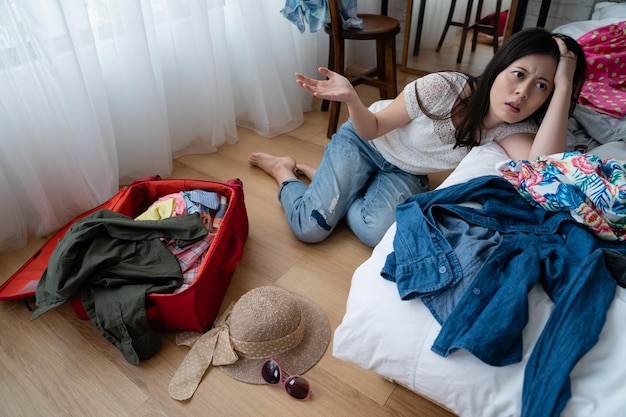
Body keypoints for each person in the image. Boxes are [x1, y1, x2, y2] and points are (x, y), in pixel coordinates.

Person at [249, 27, 587, 247]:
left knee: (376, 234)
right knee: (311, 229)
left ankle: (328, 183)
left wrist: (566, 80)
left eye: (542, 86)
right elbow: (374, 128)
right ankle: (284, 170)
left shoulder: (516, 130)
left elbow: (543, 166)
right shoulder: (444, 86)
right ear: (500, 66)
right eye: (519, 74)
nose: (522, 92)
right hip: (366, 142)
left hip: (406, 171)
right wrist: (352, 98)